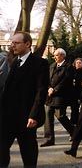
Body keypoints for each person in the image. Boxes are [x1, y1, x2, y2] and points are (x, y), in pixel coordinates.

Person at [0, 32, 49, 167]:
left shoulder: (40, 63)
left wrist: (33, 115)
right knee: (2, 149)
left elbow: (41, 91)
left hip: (26, 118)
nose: (12, 45)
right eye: (12, 42)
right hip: (8, 117)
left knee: (28, 153)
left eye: (16, 43)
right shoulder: (15, 62)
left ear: (27, 44)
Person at [41, 48, 75, 147]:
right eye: (54, 55)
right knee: (48, 115)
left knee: (60, 116)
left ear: (62, 56)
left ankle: (73, 131)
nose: (54, 57)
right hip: (50, 95)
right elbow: (47, 79)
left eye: (56, 55)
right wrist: (49, 88)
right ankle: (49, 139)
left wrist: (55, 89)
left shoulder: (68, 66)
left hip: (61, 95)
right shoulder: (52, 66)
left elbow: (66, 81)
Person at [70, 58, 82, 125]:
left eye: (80, 63)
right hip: (73, 93)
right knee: (74, 109)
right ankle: (73, 123)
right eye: (77, 63)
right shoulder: (72, 71)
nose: (78, 64)